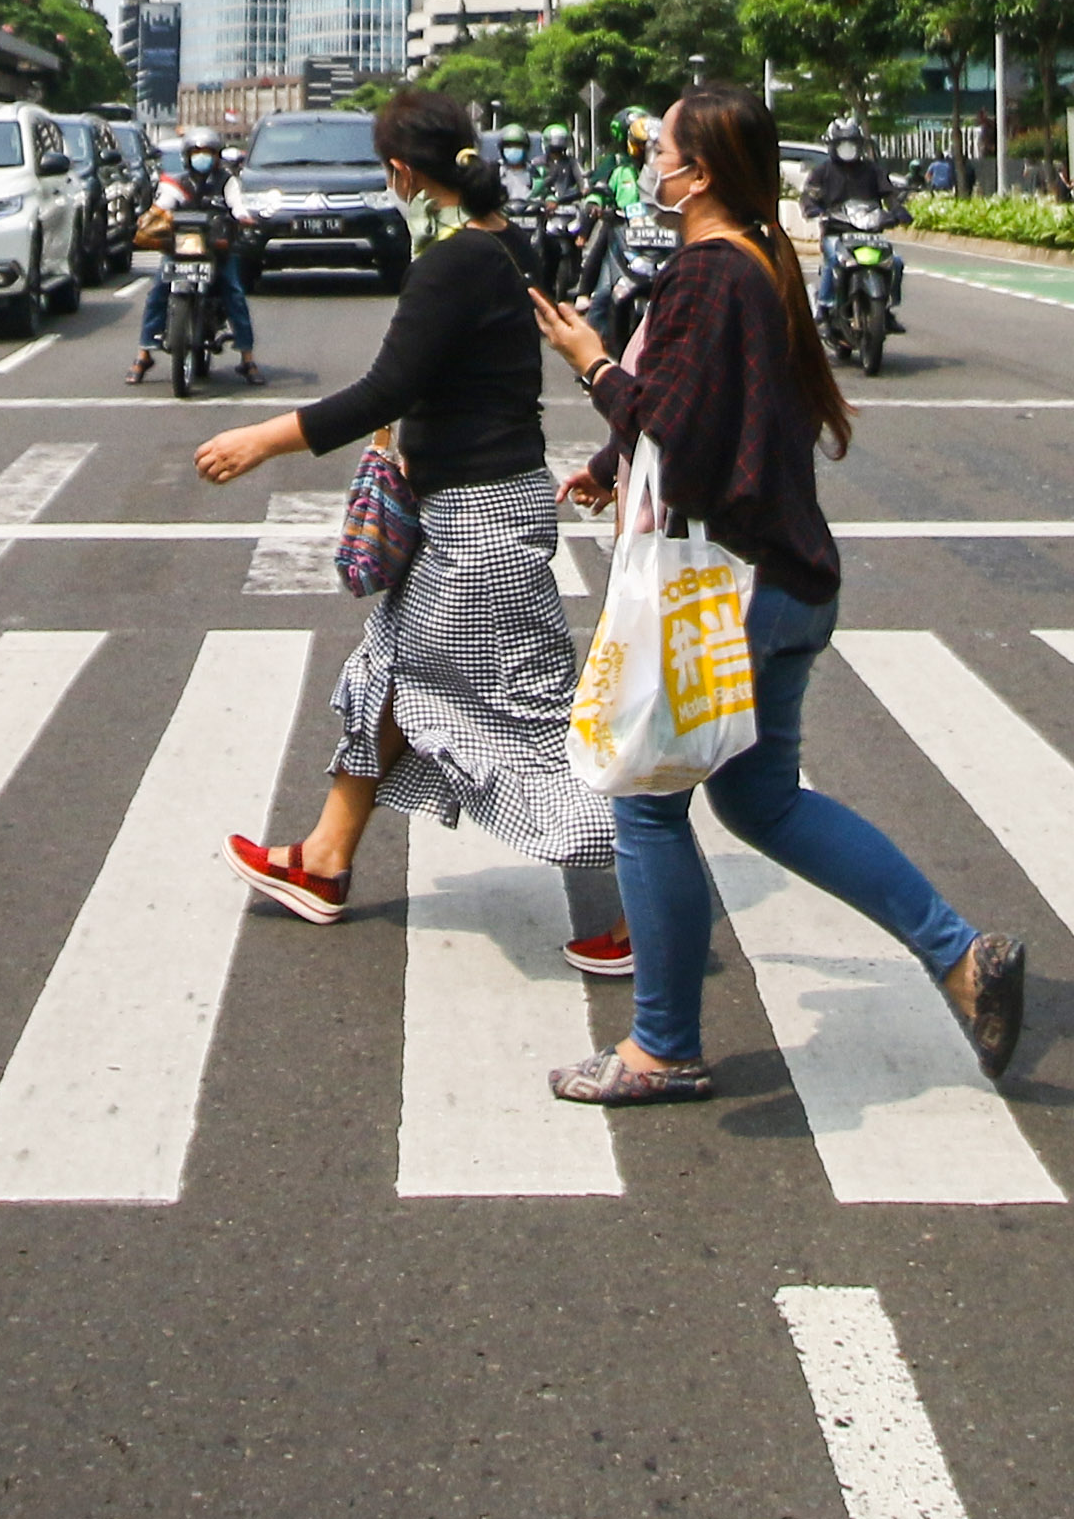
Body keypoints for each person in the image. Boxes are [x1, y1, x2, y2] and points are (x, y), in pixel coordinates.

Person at [530, 81, 1028, 1104]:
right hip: (785, 581)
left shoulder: (711, 273)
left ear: (698, 170)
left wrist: (590, 364)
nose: (646, 163)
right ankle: (959, 953)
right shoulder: (761, 261)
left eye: (658, 147)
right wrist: (613, 458)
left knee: (647, 801)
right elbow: (707, 413)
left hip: (728, 587)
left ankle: (662, 1046)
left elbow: (679, 422)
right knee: (761, 800)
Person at [194, 88, 624, 967]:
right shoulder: (502, 242)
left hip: (481, 519)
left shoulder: (453, 263)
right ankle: (324, 860)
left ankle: (621, 913)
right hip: (468, 506)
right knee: (388, 673)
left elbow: (384, 388)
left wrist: (262, 441)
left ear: (399, 171)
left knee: (528, 721)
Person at [127, 144, 258, 383]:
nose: (202, 158)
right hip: (181, 249)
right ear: (187, 157)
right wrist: (149, 218)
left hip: (218, 249)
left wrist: (243, 217)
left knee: (234, 291)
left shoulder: (226, 181)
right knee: (158, 291)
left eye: (207, 153)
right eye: (196, 153)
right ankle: (143, 354)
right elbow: (163, 205)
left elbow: (237, 205)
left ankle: (247, 358)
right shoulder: (176, 183)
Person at [796, 115, 908, 313]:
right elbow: (809, 196)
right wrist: (814, 210)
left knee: (895, 263)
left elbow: (889, 194)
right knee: (833, 261)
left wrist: (898, 210)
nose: (847, 149)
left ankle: (888, 307)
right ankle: (825, 306)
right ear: (832, 145)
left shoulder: (872, 171)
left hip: (870, 233)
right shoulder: (822, 172)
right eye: (842, 144)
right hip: (836, 233)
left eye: (851, 144)